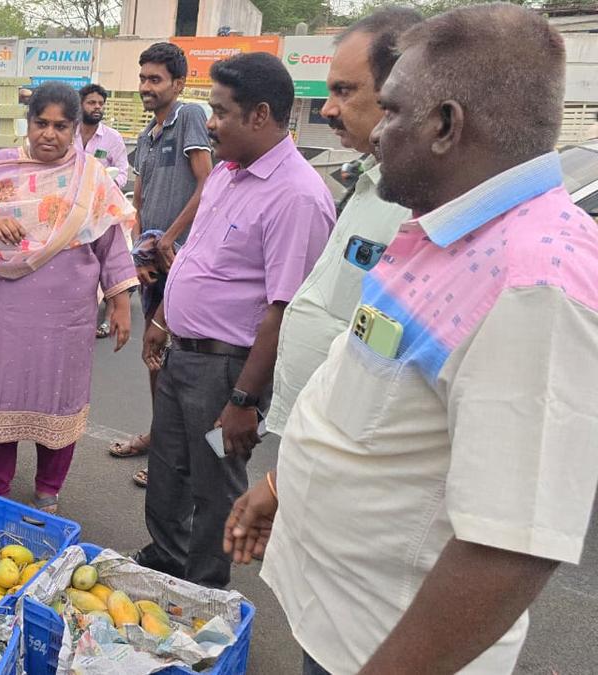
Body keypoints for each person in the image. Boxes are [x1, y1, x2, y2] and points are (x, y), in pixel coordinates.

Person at [226, 6, 598, 673]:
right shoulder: (443, 230)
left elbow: (510, 547)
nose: (374, 134)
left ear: (446, 125)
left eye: (391, 111)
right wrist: (282, 484)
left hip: (386, 648)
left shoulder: (534, 282)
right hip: (342, 624)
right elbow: (374, 395)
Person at [134, 52, 335, 587]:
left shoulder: (298, 197)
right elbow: (199, 255)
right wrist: (163, 323)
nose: (212, 123)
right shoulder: (226, 172)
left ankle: (202, 588)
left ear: (260, 115)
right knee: (168, 472)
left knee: (213, 484)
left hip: (227, 376)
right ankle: (168, 560)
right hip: (182, 359)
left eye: (221, 112)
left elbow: (283, 311)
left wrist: (243, 402)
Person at [0, 81, 138, 515]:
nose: (48, 134)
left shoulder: (91, 177)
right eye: (40, 123)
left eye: (60, 126)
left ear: (75, 128)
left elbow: (111, 240)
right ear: (28, 122)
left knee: (60, 402)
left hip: (68, 316)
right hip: (4, 310)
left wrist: (121, 302)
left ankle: (47, 495)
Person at [267, 6, 422, 437]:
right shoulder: (370, 178)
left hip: (346, 436)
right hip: (312, 424)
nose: (328, 110)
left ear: (402, 92)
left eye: (344, 91)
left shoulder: (417, 204)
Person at [108, 42, 213, 472]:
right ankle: (160, 436)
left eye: (156, 79)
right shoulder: (145, 136)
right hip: (154, 261)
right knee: (154, 355)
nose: (146, 87)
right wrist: (139, 251)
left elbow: (208, 184)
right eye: (143, 78)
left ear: (179, 83)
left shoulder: (188, 117)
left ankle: (177, 457)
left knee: (183, 360)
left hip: (186, 261)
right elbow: (139, 197)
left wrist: (169, 239)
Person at [75, 82, 132, 339]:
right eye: (92, 103)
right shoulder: (69, 134)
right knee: (79, 262)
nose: (97, 108)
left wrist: (107, 184)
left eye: (100, 104)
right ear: (80, 105)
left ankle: (109, 316)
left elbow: (123, 171)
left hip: (104, 211)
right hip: (73, 213)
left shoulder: (112, 139)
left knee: (107, 262)